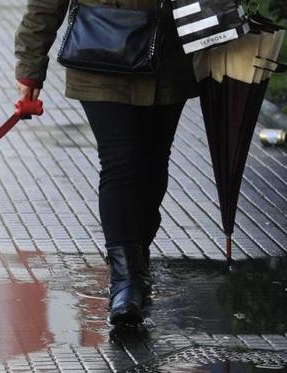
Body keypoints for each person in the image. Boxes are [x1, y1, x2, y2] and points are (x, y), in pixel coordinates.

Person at [14, 0, 198, 326]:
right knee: (121, 162)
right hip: (101, 54)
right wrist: (30, 65)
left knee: (153, 161)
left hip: (168, 55)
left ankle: (135, 258)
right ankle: (126, 279)